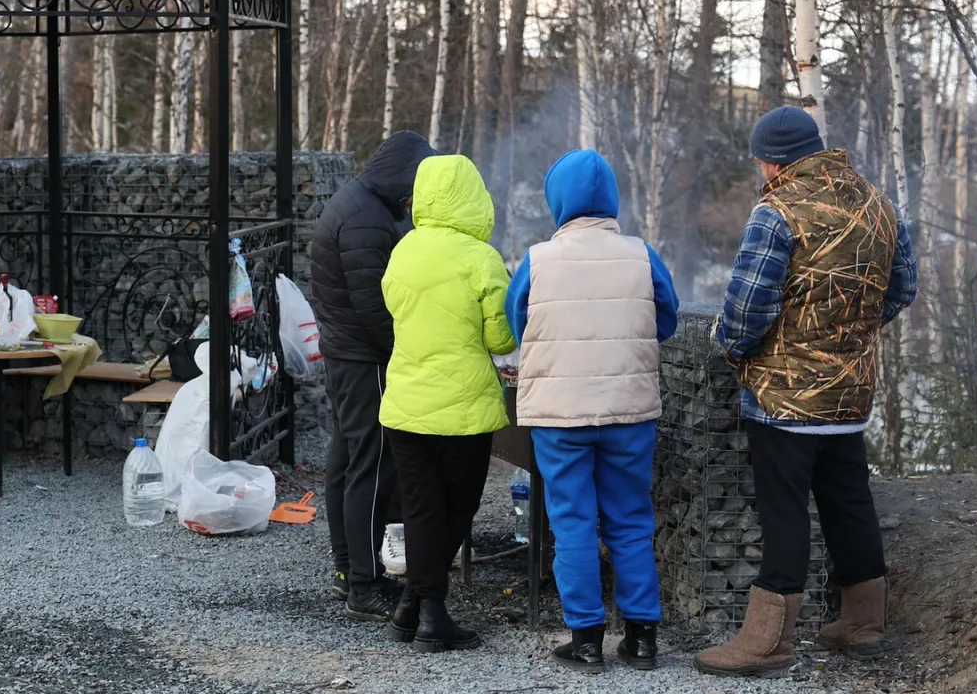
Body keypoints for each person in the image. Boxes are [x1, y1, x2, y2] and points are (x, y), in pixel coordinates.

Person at [695, 106, 917, 678]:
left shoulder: (777, 211)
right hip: (851, 393)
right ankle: (863, 626)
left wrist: (733, 345)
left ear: (772, 161)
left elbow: (746, 309)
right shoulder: (877, 203)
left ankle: (768, 641)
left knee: (784, 511)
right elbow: (903, 286)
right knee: (849, 502)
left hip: (786, 397)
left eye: (760, 162)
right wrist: (848, 338)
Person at [505, 149, 680, 673]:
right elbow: (665, 320)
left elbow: (520, 326)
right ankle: (642, 638)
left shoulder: (537, 259)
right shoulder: (641, 254)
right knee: (630, 520)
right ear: (611, 200)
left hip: (560, 416)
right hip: (629, 412)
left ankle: (585, 641)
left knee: (574, 524)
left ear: (558, 200)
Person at [377, 153, 516, 653]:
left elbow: (394, 310)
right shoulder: (481, 258)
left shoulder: (403, 250)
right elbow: (501, 339)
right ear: (474, 197)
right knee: (458, 506)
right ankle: (431, 613)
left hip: (406, 402)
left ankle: (410, 607)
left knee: (420, 508)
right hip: (462, 408)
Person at [309, 130, 437, 620]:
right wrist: (403, 351)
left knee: (346, 458)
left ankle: (348, 569)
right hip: (365, 358)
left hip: (345, 352)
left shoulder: (360, 202)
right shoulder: (366, 216)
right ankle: (363, 584)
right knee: (371, 462)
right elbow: (372, 304)